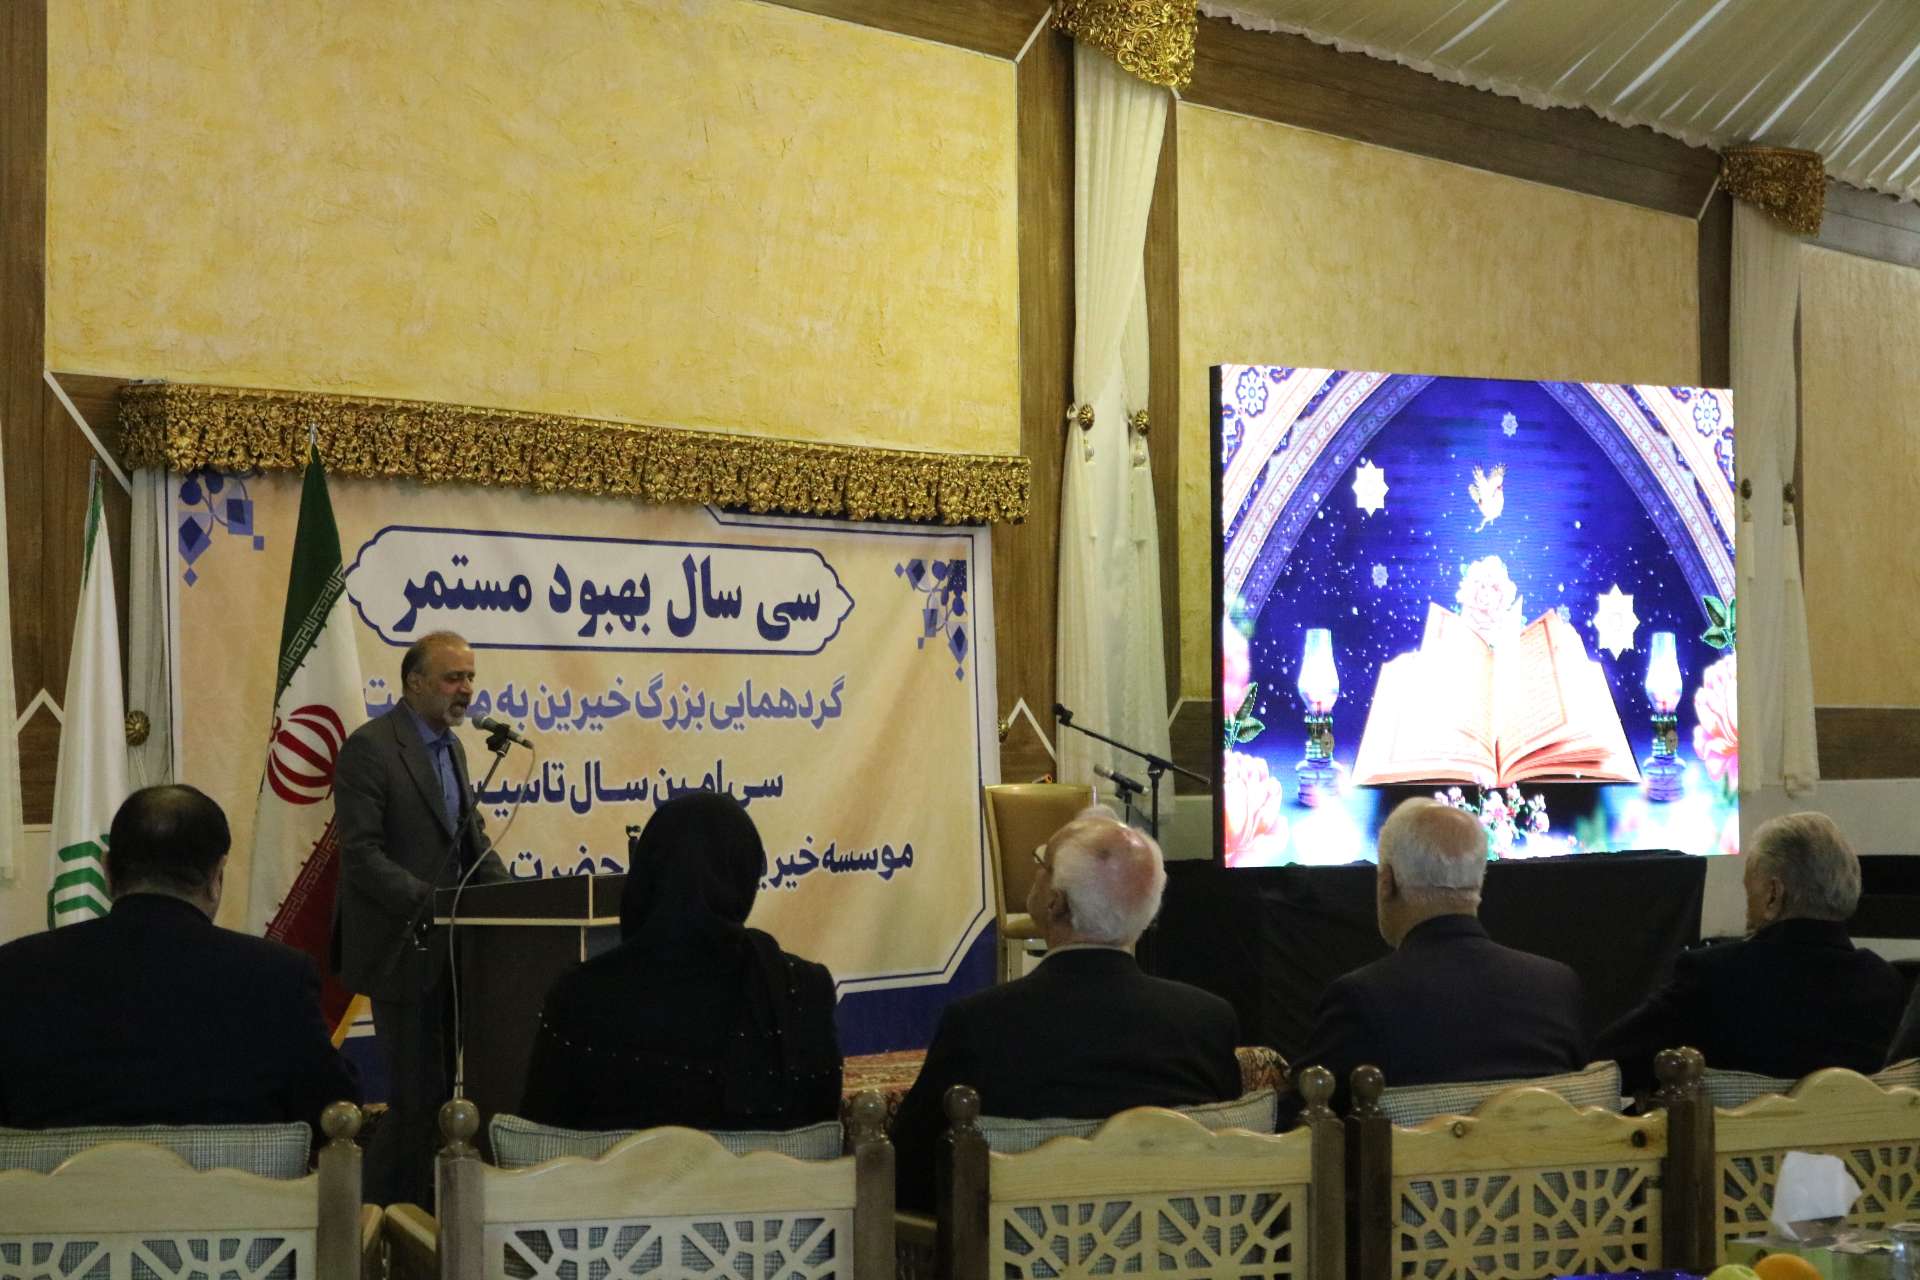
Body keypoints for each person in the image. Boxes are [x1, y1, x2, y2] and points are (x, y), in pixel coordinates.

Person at [890, 808, 1241, 1211]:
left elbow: (907, 1172)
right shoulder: (1208, 1021)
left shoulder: (981, 1023)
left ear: (1055, 903)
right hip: (1183, 1244)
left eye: (1042, 863)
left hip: (1025, 1248)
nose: (1035, 870)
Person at [0, 784, 358, 1128]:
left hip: (56, 1175)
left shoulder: (15, 970)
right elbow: (334, 1112)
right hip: (229, 1174)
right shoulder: (279, 976)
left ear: (106, 870)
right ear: (217, 876)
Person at [518, 791, 842, 1131]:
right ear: (745, 876)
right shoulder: (802, 990)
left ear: (647, 874)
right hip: (775, 1171)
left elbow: (538, 1144)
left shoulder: (579, 997)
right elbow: (822, 1135)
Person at [332, 630, 508, 1205]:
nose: (466, 690)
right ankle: (374, 1217)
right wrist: (430, 902)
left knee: (442, 1099)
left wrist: (514, 901)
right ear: (414, 682)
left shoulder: (453, 749)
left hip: (455, 951)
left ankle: (427, 1216)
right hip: (401, 947)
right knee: (413, 1100)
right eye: (453, 678)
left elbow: (471, 842)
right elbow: (361, 855)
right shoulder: (371, 747)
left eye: (470, 677)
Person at [1282, 798, 1587, 1123]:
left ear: (1386, 883)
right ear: (1479, 880)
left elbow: (1293, 1128)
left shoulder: (1360, 999)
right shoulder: (1557, 987)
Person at [1599, 811, 1903, 1092]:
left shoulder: (1712, 977)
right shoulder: (1884, 985)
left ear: (1773, 894)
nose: (1747, 907)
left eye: (1749, 890)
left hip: (1726, 1136)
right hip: (1854, 1135)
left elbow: (1605, 1066)